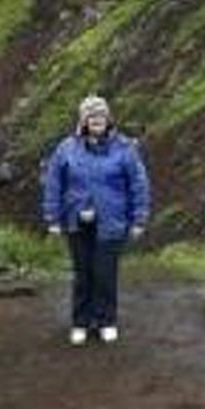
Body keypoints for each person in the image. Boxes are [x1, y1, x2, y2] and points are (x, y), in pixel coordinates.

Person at [41, 94, 150, 345]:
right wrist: (52, 217)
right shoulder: (66, 148)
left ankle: (106, 320)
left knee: (105, 273)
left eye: (100, 115)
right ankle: (81, 321)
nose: (96, 120)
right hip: (76, 221)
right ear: (83, 120)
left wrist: (139, 219)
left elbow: (138, 185)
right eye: (91, 116)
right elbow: (54, 182)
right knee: (82, 273)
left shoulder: (125, 148)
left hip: (112, 221)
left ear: (108, 118)